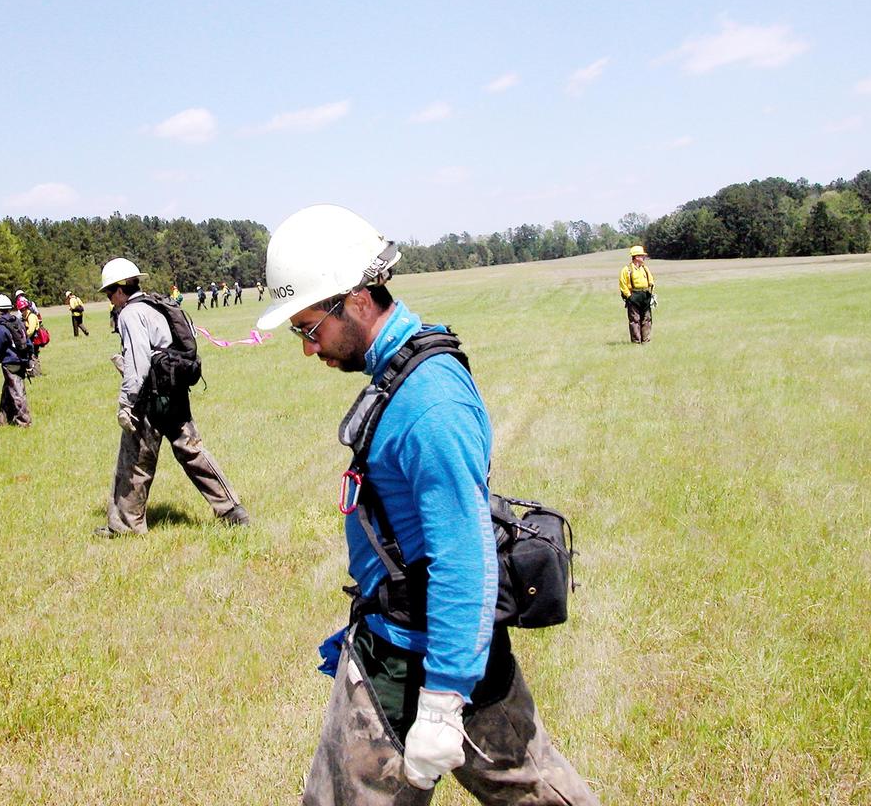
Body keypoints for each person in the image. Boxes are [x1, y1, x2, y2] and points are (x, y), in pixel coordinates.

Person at [258, 205, 598, 806]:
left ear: (357, 299)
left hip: (414, 662)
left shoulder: (429, 402)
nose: (308, 350)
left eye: (309, 328)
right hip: (405, 641)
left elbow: (464, 553)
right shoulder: (401, 373)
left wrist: (441, 704)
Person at [95, 257, 251, 537]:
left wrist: (126, 404)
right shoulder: (158, 305)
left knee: (134, 462)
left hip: (150, 397)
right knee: (193, 451)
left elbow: (138, 364)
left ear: (120, 289)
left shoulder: (131, 314)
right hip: (175, 390)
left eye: (109, 293)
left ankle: (126, 527)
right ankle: (231, 509)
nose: (110, 300)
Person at [0, 293, 31, 427]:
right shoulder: (18, 322)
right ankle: (2, 421)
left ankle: (24, 422)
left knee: (17, 393)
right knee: (7, 392)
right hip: (22, 360)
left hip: (10, 363)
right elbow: (28, 342)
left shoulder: (0, 328)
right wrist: (29, 360)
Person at [619, 245, 656, 344]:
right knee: (635, 320)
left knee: (647, 319)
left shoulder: (645, 268)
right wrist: (629, 296)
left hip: (645, 295)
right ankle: (636, 342)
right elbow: (623, 285)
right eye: (642, 256)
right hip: (633, 296)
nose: (644, 258)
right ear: (636, 257)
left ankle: (646, 341)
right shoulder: (626, 270)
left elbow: (651, 280)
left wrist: (651, 290)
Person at [16, 295, 43, 376]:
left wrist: (23, 337)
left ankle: (37, 373)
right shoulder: (26, 316)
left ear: (25, 308)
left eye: (22, 309)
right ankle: (32, 372)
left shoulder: (31, 316)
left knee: (33, 356)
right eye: (20, 310)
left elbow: (31, 330)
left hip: (34, 339)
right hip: (31, 339)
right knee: (31, 355)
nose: (21, 311)